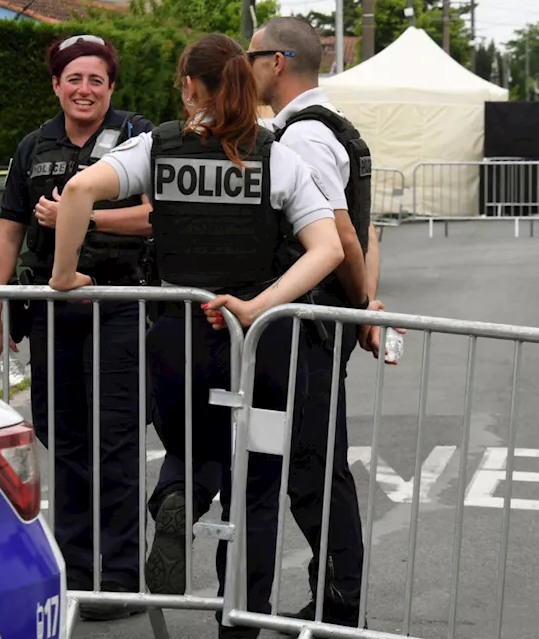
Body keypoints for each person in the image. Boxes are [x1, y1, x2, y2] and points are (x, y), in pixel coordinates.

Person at [47, 33, 344, 639]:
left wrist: (63, 275)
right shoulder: (276, 155)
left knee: (190, 447)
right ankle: (238, 627)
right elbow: (329, 248)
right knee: (257, 492)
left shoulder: (156, 146)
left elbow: (77, 191)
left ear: (189, 86)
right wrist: (256, 305)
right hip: (256, 346)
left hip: (178, 344)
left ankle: (177, 498)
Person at [0, 34, 155, 622]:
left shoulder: (139, 138)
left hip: (117, 307)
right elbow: (7, 231)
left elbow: (160, 214)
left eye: (96, 80)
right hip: (54, 316)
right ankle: (78, 573)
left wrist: (86, 213)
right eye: (74, 79)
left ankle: (122, 578)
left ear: (111, 88)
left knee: (115, 439)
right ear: (56, 85)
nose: (84, 89)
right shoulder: (33, 147)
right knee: (63, 437)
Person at [249, 16, 389, 628]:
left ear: (277, 62)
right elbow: (369, 228)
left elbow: (344, 236)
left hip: (309, 327)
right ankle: (332, 600)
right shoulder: (338, 127)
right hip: (322, 322)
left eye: (251, 56)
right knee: (317, 463)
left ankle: (339, 606)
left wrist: (362, 306)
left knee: (313, 471)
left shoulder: (302, 138)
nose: (245, 66)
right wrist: (365, 302)